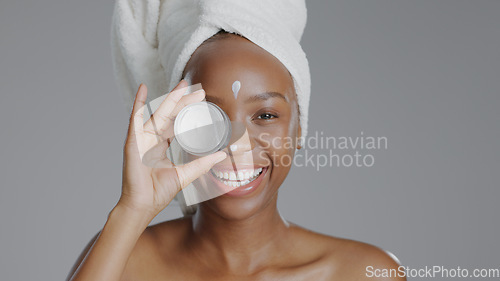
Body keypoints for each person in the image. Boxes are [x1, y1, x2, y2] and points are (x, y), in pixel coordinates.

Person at [67, 1, 405, 280]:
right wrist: (133, 208)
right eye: (206, 117)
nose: (236, 146)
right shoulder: (123, 262)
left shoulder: (363, 273)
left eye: (265, 116)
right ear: (174, 130)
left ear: (299, 129)